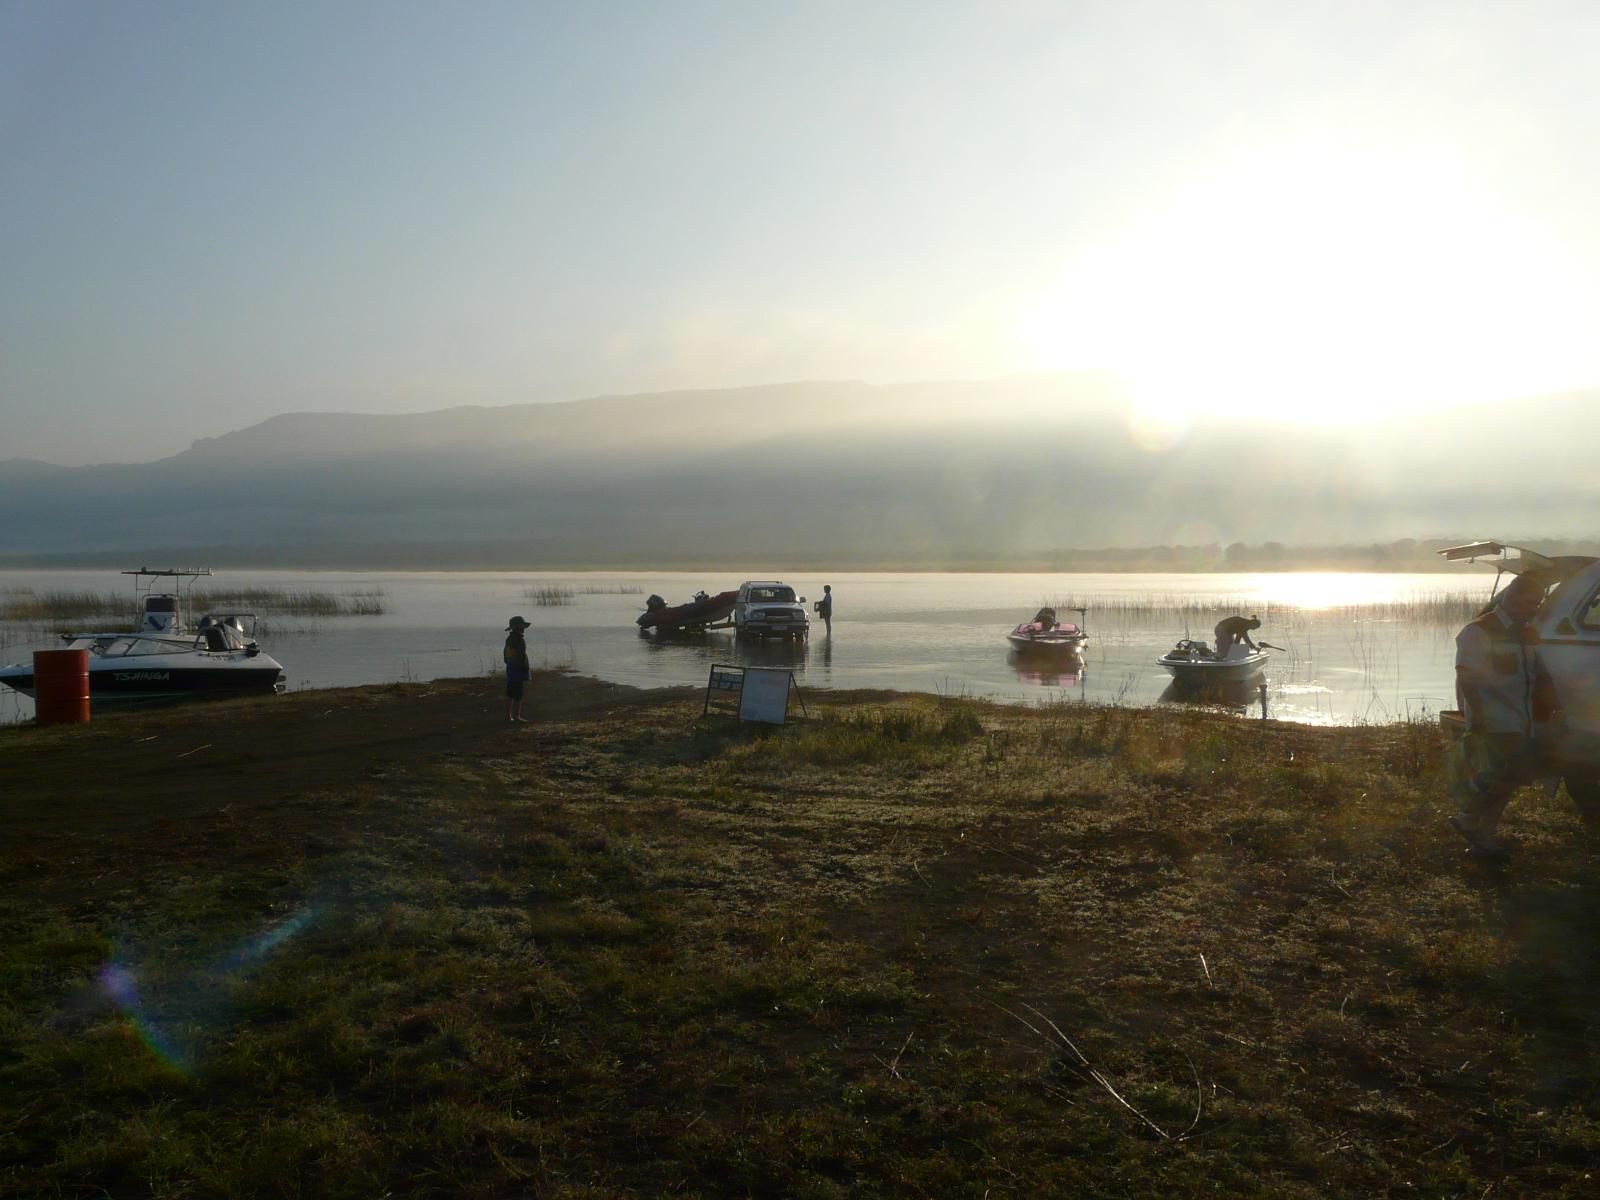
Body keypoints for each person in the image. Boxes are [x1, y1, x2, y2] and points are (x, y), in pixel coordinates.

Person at [1448, 573, 1560, 861]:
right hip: (1494, 720)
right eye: (1525, 601)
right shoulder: (1479, 630)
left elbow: (1538, 673)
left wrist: (1551, 703)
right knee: (1500, 778)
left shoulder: (1528, 633)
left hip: (1522, 720)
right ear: (1509, 597)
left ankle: (1478, 831)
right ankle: (1475, 827)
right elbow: (1466, 675)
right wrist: (1479, 718)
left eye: (1536, 603)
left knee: (1509, 780)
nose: (1531, 608)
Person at [503, 615, 532, 723]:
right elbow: (521, 656)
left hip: (510, 669)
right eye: (522, 627)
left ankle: (508, 715)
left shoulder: (509, 639)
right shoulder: (520, 640)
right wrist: (525, 668)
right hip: (518, 670)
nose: (523, 629)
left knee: (510, 693)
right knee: (518, 694)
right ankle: (517, 716)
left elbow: (505, 655)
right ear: (518, 628)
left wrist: (509, 664)